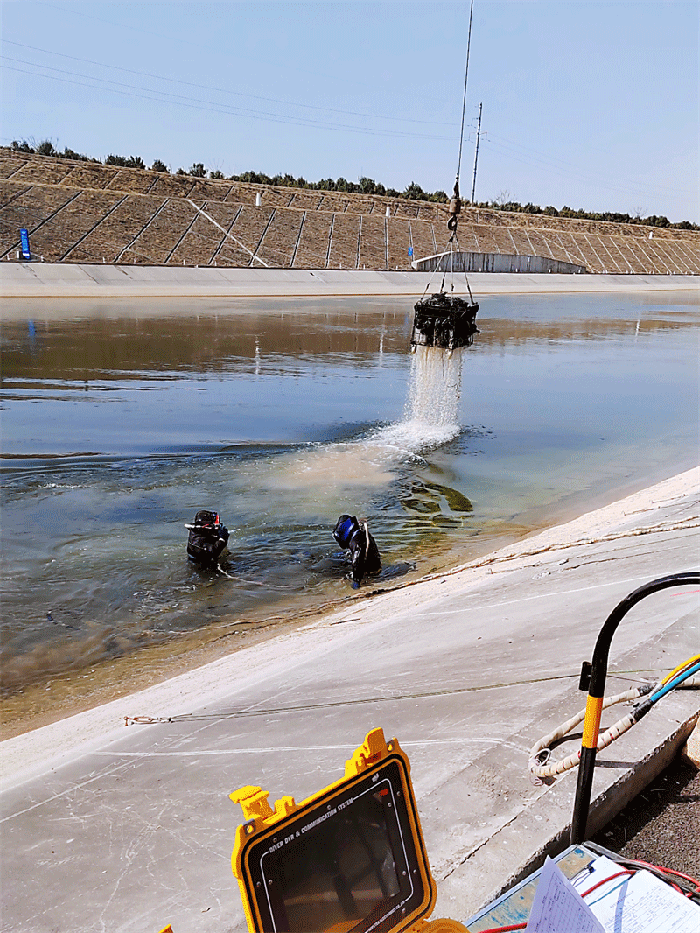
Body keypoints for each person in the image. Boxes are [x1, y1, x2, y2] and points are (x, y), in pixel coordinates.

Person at [333, 514, 381, 588]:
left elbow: (357, 560)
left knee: (330, 566)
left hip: (369, 573)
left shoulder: (357, 542)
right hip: (370, 567)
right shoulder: (359, 534)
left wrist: (356, 582)